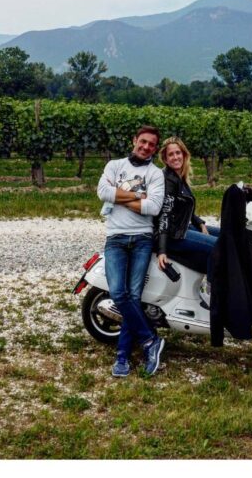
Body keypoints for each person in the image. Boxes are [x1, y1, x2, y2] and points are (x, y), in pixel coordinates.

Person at [96, 125, 166, 377]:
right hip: (115, 238)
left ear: (155, 149)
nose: (146, 147)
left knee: (133, 298)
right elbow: (102, 192)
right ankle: (150, 340)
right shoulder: (114, 165)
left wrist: (118, 196)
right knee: (118, 293)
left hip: (142, 240)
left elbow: (154, 207)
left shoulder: (155, 174)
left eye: (151, 144)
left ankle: (122, 357)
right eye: (143, 141)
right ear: (134, 140)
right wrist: (138, 196)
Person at [154, 137, 219, 305]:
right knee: (219, 247)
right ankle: (210, 292)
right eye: (171, 155)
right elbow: (165, 214)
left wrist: (199, 221)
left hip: (181, 227)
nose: (176, 157)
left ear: (184, 154)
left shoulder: (179, 176)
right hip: (171, 235)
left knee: (227, 235)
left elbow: (183, 206)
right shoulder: (168, 179)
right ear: (165, 159)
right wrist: (162, 249)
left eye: (178, 153)